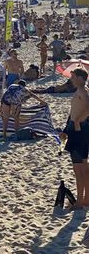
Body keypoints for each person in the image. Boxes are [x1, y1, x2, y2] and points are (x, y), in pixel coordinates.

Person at [60, 68, 89, 208]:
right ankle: (85, 199)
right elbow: (73, 112)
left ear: (81, 78)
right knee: (83, 167)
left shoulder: (83, 91)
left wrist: (78, 121)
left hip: (79, 130)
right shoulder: (79, 91)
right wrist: (67, 128)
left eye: (73, 77)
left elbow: (88, 108)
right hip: (76, 128)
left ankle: (79, 201)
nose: (71, 79)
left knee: (79, 169)